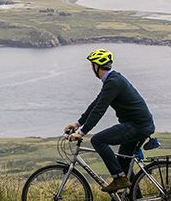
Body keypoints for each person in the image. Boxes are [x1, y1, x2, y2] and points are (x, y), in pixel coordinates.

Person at [66, 49, 155, 193]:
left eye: (91, 65)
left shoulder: (113, 82)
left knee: (98, 140)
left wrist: (82, 133)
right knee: (122, 164)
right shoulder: (112, 80)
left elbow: (99, 110)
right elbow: (96, 103)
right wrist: (78, 123)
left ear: (96, 66)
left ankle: (119, 178)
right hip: (140, 124)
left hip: (137, 126)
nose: (92, 68)